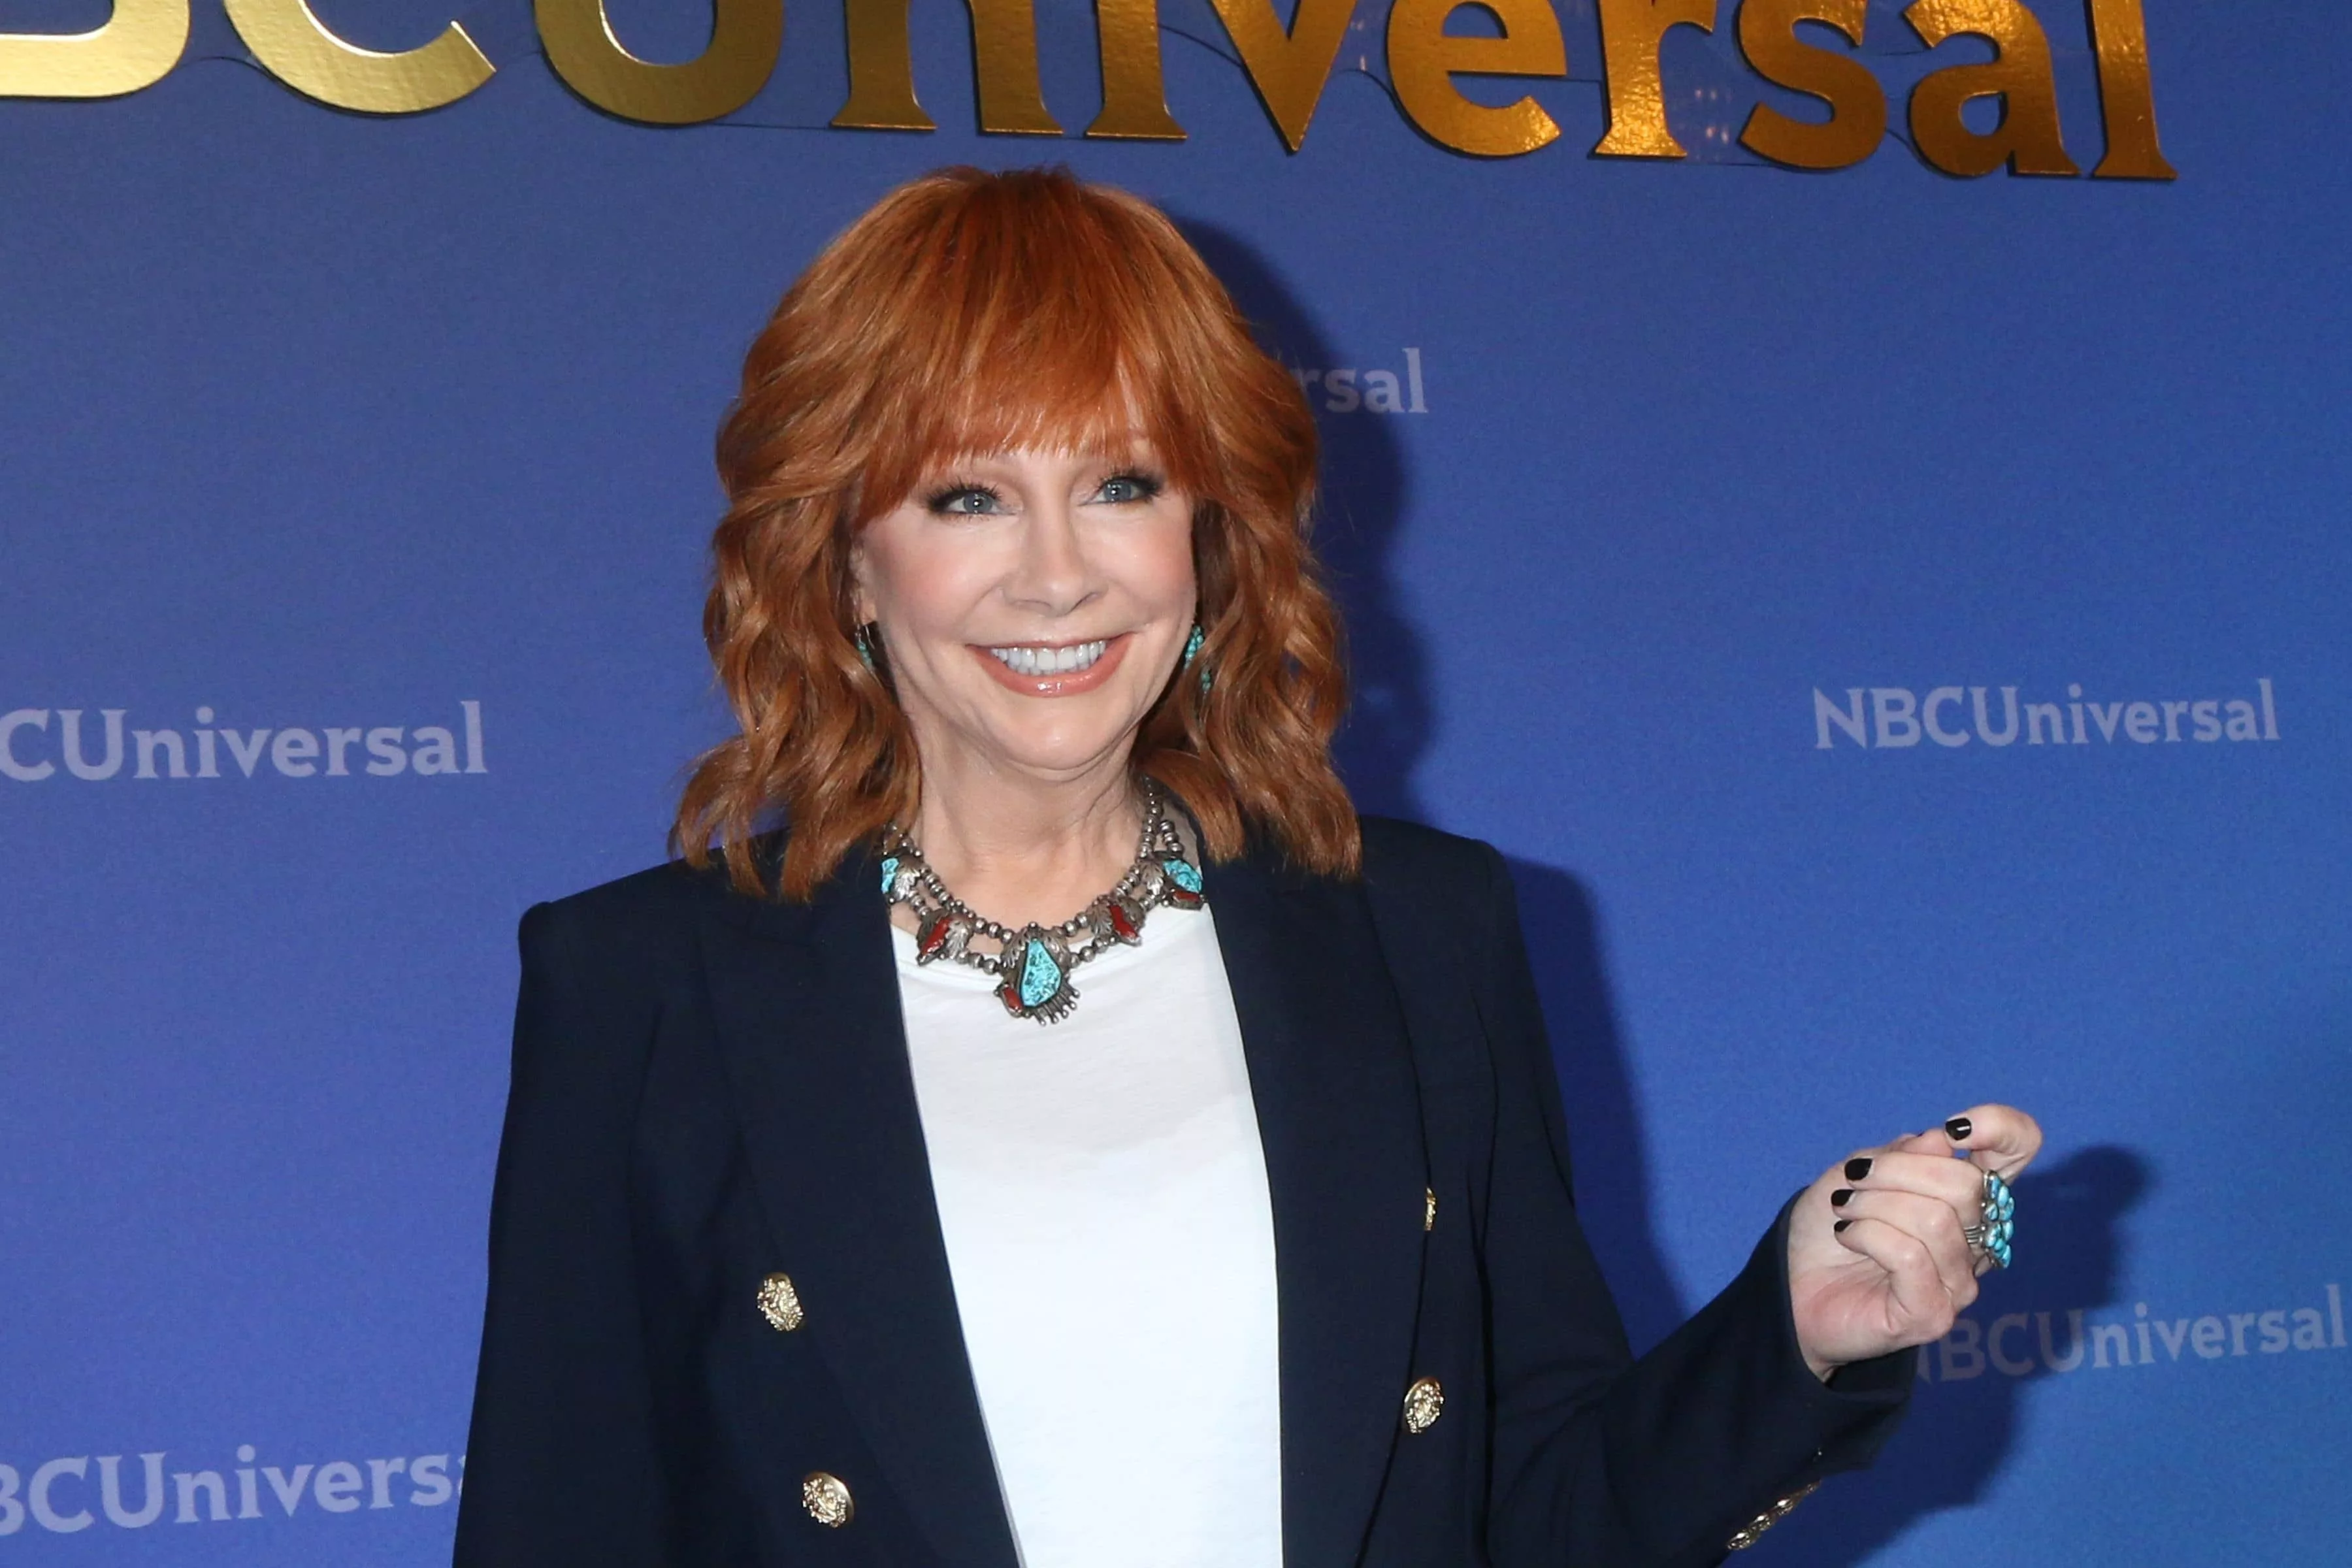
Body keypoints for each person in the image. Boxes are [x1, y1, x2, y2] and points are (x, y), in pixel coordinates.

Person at [453, 165, 2040, 1568]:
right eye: (970, 497)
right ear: (847, 559)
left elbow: (1543, 1510)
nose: (1060, 575)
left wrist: (1798, 1338)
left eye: (1123, 485)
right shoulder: (645, 988)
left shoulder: (1419, 934)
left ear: (1210, 533)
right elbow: (561, 1521)